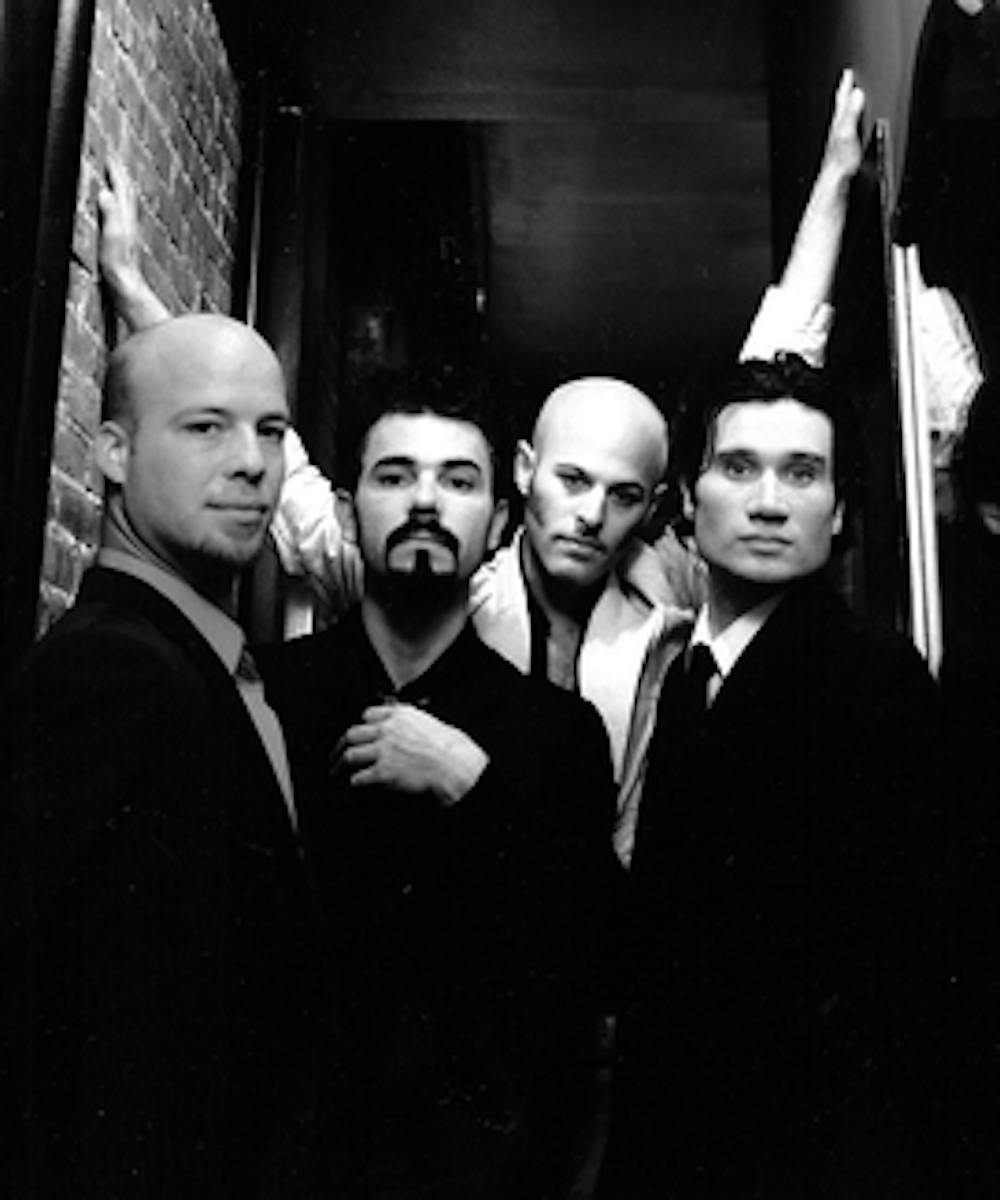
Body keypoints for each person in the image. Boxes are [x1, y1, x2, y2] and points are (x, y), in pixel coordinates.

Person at [96, 71, 867, 863]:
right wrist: (138, 304)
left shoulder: (673, 603)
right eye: (572, 480)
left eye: (624, 494)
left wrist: (835, 183)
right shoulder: (441, 563)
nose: (591, 515)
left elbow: (762, 408)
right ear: (523, 477)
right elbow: (269, 464)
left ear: (657, 505)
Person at [257, 362, 622, 1198]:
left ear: (498, 523)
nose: (425, 502)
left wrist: (475, 787)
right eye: (394, 477)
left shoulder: (558, 734)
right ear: (346, 512)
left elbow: (594, 962)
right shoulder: (269, 694)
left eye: (458, 482)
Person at [597, 353, 948, 1197]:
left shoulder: (877, 683)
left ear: (840, 508)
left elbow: (908, 990)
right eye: (738, 467)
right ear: (688, 499)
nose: (767, 502)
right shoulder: (686, 673)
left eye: (802, 473)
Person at [0, 315, 318, 1197]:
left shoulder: (199, 665)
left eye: (272, 430)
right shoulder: (113, 672)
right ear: (112, 451)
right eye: (206, 426)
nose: (253, 462)